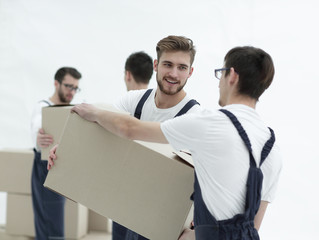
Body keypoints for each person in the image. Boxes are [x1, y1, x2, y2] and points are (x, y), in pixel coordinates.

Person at [49, 46, 283, 240]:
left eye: (220, 74)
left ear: (231, 75)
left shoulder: (209, 122)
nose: (219, 82)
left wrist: (94, 113)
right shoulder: (272, 146)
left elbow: (130, 129)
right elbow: (253, 225)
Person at [48, 35, 201, 240]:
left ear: (190, 72)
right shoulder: (134, 101)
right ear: (156, 65)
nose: (174, 73)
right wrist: (65, 149)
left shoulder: (194, 115)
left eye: (182, 67)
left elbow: (204, 174)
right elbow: (97, 134)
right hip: (125, 210)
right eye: (168, 64)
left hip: (163, 219)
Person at [31, 67, 82, 240]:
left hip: (61, 165)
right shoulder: (43, 106)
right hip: (44, 166)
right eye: (69, 86)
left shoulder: (72, 109)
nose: (72, 91)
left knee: (55, 218)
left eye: (75, 88)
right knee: (49, 220)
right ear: (56, 83)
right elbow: (38, 126)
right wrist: (39, 136)